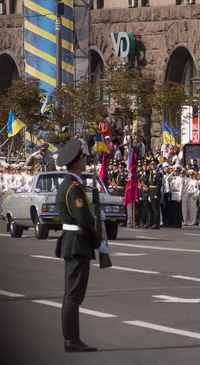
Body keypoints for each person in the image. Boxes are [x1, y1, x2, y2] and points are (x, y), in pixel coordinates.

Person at [55, 139, 109, 352]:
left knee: (73, 294)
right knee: (73, 295)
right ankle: (71, 340)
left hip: (73, 242)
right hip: (78, 243)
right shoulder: (74, 187)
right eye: (84, 158)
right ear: (77, 162)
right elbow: (84, 221)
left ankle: (72, 339)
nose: (86, 160)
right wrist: (98, 242)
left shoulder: (70, 184)